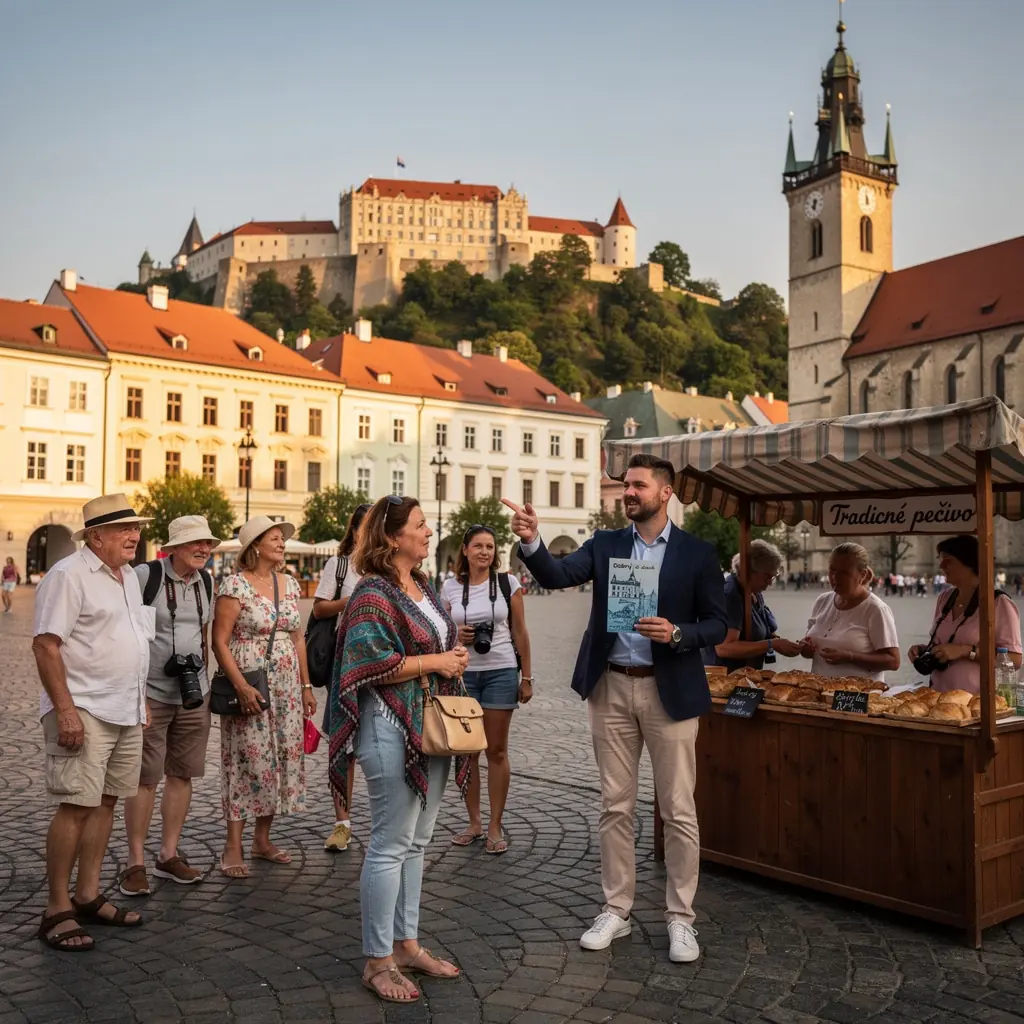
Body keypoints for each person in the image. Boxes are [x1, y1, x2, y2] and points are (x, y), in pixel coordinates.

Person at [505, 453, 728, 965]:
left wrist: (678, 634)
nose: (628, 493)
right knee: (615, 805)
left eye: (638, 486)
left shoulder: (697, 553)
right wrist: (533, 540)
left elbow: (717, 625)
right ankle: (616, 909)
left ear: (665, 492)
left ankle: (680, 918)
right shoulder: (606, 544)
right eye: (625, 485)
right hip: (611, 687)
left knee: (678, 809)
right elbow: (558, 575)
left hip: (669, 689)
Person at [328, 496, 470, 1003]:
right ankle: (377, 959)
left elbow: (431, 647)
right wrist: (437, 660)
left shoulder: (423, 587)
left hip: (428, 725)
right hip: (389, 725)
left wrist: (449, 656)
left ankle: (407, 944)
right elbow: (369, 664)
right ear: (393, 538)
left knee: (417, 842)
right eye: (420, 525)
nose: (429, 531)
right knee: (390, 843)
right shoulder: (371, 593)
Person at [31, 494, 154, 951]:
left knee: (106, 802)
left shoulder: (127, 578)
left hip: (124, 707)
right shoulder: (68, 575)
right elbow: (46, 646)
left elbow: (134, 641)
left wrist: (139, 701)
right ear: (95, 536)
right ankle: (56, 908)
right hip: (82, 705)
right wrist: (64, 708)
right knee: (76, 805)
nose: (134, 536)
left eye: (136, 528)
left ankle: (87, 894)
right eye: (124, 529)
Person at [119, 516, 219, 896]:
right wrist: (135, 693)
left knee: (182, 774)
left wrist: (205, 685)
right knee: (145, 778)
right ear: (173, 546)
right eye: (196, 543)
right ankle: (135, 862)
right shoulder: (147, 576)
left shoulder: (206, 582)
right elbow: (127, 630)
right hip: (151, 694)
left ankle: (168, 854)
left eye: (207, 544)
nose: (204, 549)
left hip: (195, 693)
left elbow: (205, 636)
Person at [211, 516, 316, 878]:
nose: (282, 543)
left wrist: (305, 687)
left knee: (279, 758)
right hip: (250, 681)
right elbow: (219, 641)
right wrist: (239, 685)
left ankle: (262, 840)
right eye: (274, 538)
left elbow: (298, 638)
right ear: (255, 545)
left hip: (286, 687)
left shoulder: (288, 584)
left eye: (282, 538)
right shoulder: (234, 585)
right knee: (246, 760)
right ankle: (232, 846)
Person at [441, 525, 533, 855]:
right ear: (464, 550)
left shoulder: (508, 584)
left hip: (501, 671)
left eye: (490, 546)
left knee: (495, 750)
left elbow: (520, 631)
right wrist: (456, 635)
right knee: (467, 753)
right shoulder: (450, 587)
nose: (484, 552)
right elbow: (439, 633)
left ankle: (495, 824)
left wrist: (527, 677)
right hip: (463, 676)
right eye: (478, 546)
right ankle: (474, 821)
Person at [311, 502, 371, 852]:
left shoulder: (388, 568)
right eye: (364, 527)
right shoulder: (340, 565)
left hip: (382, 665)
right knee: (343, 743)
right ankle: (342, 822)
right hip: (344, 661)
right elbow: (319, 608)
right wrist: (348, 602)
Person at [908, 535, 1022, 693]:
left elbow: (1015, 660)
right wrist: (925, 650)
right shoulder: (945, 598)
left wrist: (967, 651)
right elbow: (945, 641)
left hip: (977, 703)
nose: (941, 565)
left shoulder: (998, 603)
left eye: (947, 560)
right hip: (938, 699)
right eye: (940, 559)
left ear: (969, 563)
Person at [800, 543, 900, 682]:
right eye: (832, 570)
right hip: (819, 693)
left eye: (844, 573)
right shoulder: (822, 601)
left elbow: (893, 661)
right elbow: (809, 646)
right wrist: (806, 649)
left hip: (858, 697)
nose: (835, 577)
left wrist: (850, 657)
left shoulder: (876, 609)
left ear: (862, 574)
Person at [703, 540, 803, 672]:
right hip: (724, 678)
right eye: (767, 577)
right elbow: (723, 648)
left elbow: (759, 632)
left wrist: (782, 644)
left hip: (744, 677)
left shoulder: (753, 592)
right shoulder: (730, 596)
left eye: (773, 577)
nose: (770, 583)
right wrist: (771, 644)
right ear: (748, 571)